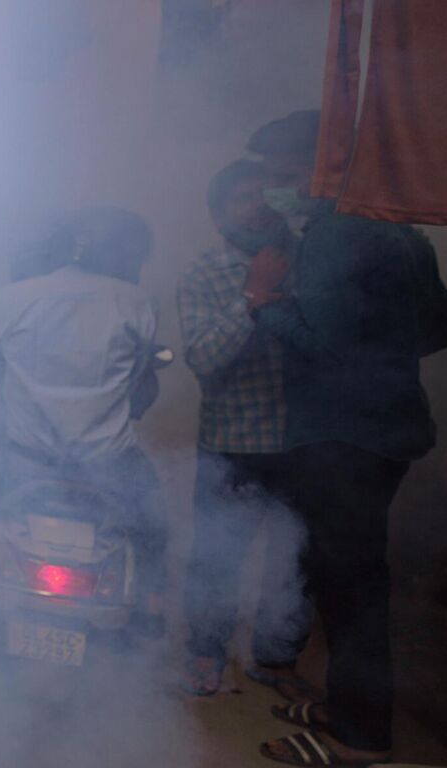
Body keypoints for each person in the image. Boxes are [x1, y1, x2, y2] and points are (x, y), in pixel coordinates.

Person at [245, 111, 447, 767]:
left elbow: (324, 349)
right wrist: (384, 359)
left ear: (325, 167)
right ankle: (347, 709)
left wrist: (264, 301)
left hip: (342, 437)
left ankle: (359, 738)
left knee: (351, 588)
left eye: (282, 171)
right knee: (350, 578)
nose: (273, 187)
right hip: (390, 428)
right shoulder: (396, 231)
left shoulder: (332, 235)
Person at [0, 207, 168, 613]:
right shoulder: (138, 304)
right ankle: (149, 607)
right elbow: (141, 387)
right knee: (154, 529)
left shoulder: (9, 299)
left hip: (22, 462)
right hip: (109, 467)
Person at [176, 159, 313, 699]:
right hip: (233, 443)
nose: (256, 204)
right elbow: (205, 359)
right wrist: (252, 297)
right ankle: (205, 654)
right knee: (219, 557)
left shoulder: (309, 262)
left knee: (297, 557)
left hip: (304, 442)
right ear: (218, 215)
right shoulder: (204, 272)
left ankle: (276, 658)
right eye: (240, 198)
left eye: (264, 193)